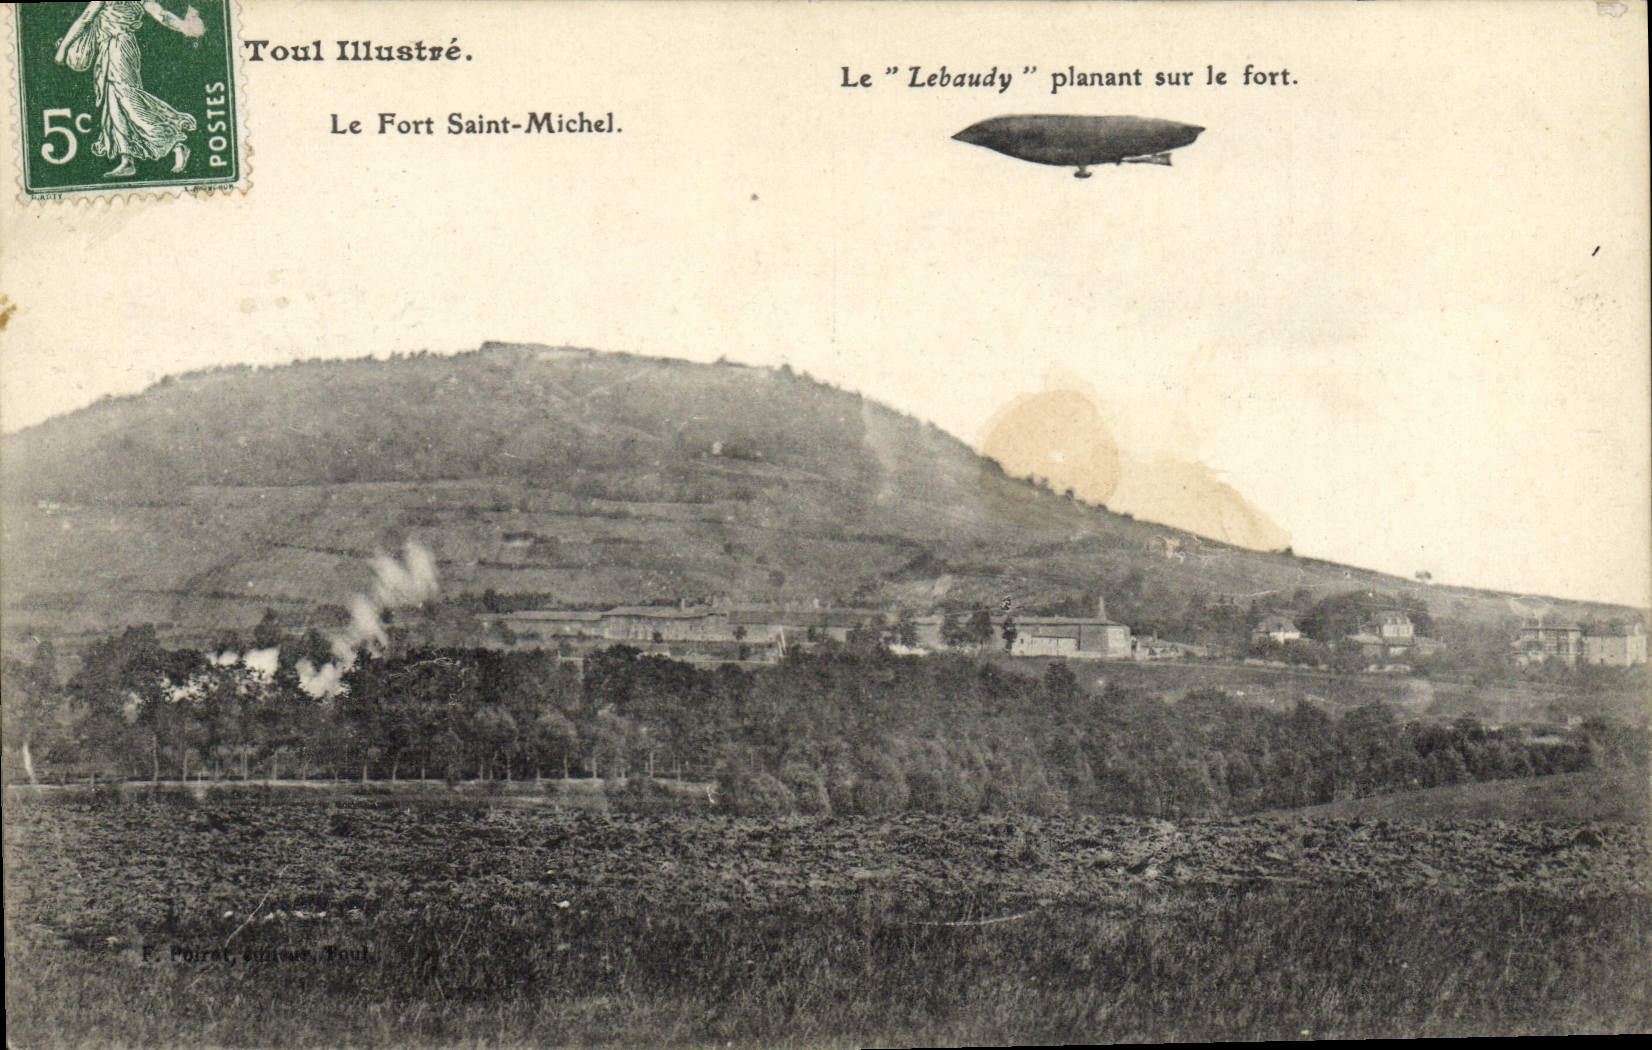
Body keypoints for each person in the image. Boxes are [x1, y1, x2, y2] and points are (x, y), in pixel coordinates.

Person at [53, 1, 205, 177]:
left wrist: (62, 49)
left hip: (119, 49)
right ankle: (127, 160)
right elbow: (162, 15)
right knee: (114, 105)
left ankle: (175, 144)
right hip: (110, 50)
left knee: (130, 103)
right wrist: (184, 27)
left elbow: (85, 18)